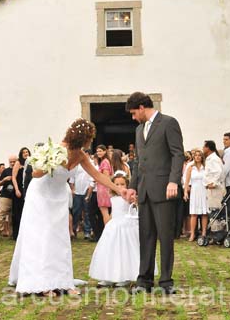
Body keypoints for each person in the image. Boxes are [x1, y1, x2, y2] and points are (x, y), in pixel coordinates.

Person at [8, 118, 120, 296]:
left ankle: (63, 281)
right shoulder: (56, 149)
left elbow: (98, 176)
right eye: (89, 138)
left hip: (59, 197)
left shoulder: (81, 155)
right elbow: (35, 174)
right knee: (42, 237)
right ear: (82, 137)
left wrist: (118, 189)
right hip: (41, 196)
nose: (90, 142)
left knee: (60, 238)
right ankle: (42, 283)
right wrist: (51, 163)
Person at [124, 92, 184, 294]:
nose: (133, 118)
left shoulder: (168, 123)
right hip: (144, 191)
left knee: (165, 237)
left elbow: (178, 154)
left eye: (134, 113)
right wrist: (132, 185)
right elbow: (138, 161)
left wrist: (173, 180)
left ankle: (166, 281)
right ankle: (144, 280)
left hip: (165, 189)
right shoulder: (139, 129)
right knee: (146, 236)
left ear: (142, 107)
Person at [89, 173, 152, 287]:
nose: (120, 186)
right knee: (110, 250)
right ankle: (108, 275)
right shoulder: (112, 197)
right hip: (114, 226)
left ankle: (126, 275)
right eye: (117, 184)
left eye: (122, 184)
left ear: (127, 185)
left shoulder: (129, 197)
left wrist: (134, 200)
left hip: (127, 226)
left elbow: (135, 208)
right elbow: (113, 212)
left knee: (125, 251)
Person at [0, 155, 18, 241]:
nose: (13, 163)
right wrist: (5, 179)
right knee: (2, 213)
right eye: (11, 162)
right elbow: (0, 183)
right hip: (5, 195)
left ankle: (13, 234)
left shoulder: (20, 170)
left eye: (14, 161)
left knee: (13, 215)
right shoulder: (6, 171)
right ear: (9, 162)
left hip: (16, 196)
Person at [183, 149, 208, 242]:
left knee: (204, 213)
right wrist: (185, 192)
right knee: (193, 213)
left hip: (204, 190)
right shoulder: (190, 166)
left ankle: (204, 233)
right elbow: (186, 180)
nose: (197, 157)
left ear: (202, 157)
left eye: (199, 155)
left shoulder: (205, 167)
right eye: (196, 155)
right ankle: (192, 233)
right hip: (194, 190)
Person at [69, 157, 93, 239]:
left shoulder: (90, 164)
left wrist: (89, 191)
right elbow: (72, 179)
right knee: (76, 212)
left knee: (87, 212)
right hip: (77, 192)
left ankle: (87, 232)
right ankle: (74, 230)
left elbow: (92, 179)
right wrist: (72, 189)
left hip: (86, 190)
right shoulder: (76, 165)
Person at [11, 147, 31, 240]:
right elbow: (13, 177)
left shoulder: (30, 162)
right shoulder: (18, 163)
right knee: (18, 211)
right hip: (19, 188)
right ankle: (16, 234)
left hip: (27, 188)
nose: (26, 153)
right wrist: (16, 189)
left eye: (27, 152)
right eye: (24, 152)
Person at [202, 140, 225, 211]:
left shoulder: (213, 159)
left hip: (215, 189)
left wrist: (213, 183)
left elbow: (218, 171)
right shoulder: (210, 158)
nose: (202, 148)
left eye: (204, 146)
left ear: (208, 148)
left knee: (215, 211)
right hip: (211, 189)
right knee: (212, 210)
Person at [95, 145, 113, 225]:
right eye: (97, 151)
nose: (98, 153)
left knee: (105, 212)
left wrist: (96, 178)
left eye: (100, 151)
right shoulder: (104, 161)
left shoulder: (105, 162)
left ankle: (108, 232)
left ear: (105, 151)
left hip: (103, 189)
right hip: (103, 188)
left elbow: (106, 177)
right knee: (107, 212)